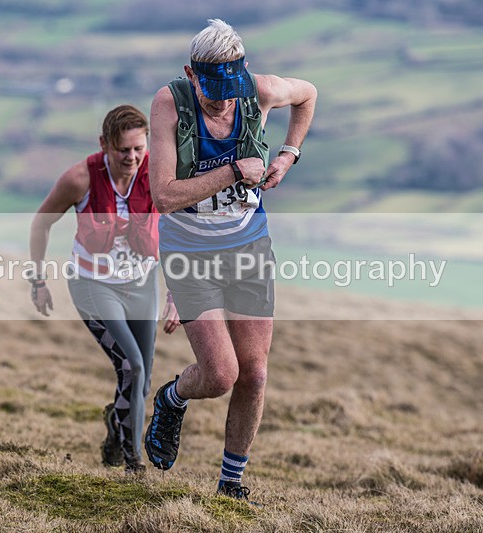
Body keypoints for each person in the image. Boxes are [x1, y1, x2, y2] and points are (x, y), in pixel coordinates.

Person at [144, 19, 317, 499]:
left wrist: (288, 154)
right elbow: (163, 196)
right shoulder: (168, 105)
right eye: (212, 88)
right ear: (190, 73)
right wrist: (233, 171)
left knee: (255, 372)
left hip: (248, 245)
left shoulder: (258, 91)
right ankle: (172, 398)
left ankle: (231, 483)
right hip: (190, 251)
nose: (222, 99)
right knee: (221, 374)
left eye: (230, 87)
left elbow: (308, 94)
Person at [28, 104, 180, 474]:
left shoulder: (159, 176)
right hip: (93, 285)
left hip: (142, 284)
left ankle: (117, 423)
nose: (131, 157)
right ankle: (134, 466)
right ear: (104, 145)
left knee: (140, 385)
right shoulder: (79, 178)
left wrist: (177, 293)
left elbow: (177, 232)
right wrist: (38, 281)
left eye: (139, 149)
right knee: (132, 368)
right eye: (122, 150)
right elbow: (41, 224)